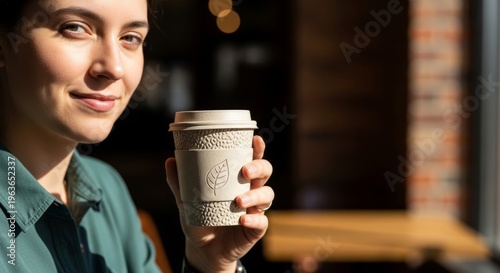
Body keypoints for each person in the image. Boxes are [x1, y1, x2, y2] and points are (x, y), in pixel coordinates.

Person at [0, 0, 275, 272]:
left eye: (131, 37)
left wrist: (211, 262)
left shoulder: (108, 190)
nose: (114, 68)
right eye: (74, 27)